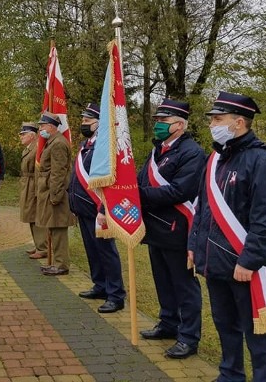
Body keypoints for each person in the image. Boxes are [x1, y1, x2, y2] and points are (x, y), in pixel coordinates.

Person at [189, 91, 266, 381]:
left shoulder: (262, 161)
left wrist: (250, 260)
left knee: (257, 329)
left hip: (244, 266)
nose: (212, 124)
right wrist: (194, 245)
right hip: (215, 261)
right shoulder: (215, 159)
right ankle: (230, 374)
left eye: (218, 119)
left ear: (239, 122)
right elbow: (202, 206)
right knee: (225, 324)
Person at [137, 99, 204, 358]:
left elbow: (180, 190)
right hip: (155, 228)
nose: (157, 125)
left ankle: (188, 336)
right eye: (157, 121)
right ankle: (168, 323)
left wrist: (139, 194)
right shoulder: (158, 150)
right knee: (163, 280)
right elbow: (144, 179)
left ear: (179, 124)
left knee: (183, 285)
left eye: (162, 122)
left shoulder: (191, 152)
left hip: (177, 228)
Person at [68, 103, 126, 313]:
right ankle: (100, 285)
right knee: (92, 250)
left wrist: (104, 208)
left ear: (99, 124)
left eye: (87, 120)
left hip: (98, 209)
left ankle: (115, 294)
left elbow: (110, 181)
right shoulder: (87, 144)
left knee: (106, 252)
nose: (83, 124)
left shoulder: (106, 147)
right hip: (83, 208)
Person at [35, 111, 74, 276]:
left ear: (51, 126)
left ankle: (61, 265)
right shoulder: (53, 141)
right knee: (54, 229)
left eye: (42, 125)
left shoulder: (57, 143)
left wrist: (55, 196)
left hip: (56, 193)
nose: (40, 129)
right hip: (50, 191)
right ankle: (58, 263)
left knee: (58, 231)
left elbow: (58, 172)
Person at [18, 122, 47, 259]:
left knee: (36, 216)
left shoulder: (37, 149)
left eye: (23, 134)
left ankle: (43, 247)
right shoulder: (29, 148)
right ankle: (38, 244)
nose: (20, 137)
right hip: (27, 184)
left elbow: (38, 171)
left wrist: (38, 191)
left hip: (33, 185)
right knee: (31, 216)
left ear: (32, 135)